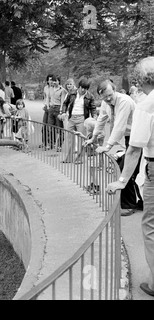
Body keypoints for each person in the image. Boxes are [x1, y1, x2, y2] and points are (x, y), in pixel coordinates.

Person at [106, 56, 154, 297]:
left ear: (141, 79)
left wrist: (122, 181)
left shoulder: (146, 105)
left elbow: (135, 147)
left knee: (150, 225)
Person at [86, 79, 142, 216]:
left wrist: (107, 146)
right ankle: (137, 202)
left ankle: (129, 205)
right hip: (130, 137)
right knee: (129, 170)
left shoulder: (124, 101)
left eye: (110, 95)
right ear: (101, 96)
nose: (108, 98)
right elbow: (101, 120)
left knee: (126, 169)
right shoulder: (106, 103)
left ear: (115, 90)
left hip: (139, 137)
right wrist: (93, 138)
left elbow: (119, 126)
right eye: (105, 97)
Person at [61, 77, 96, 163]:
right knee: (70, 139)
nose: (84, 90)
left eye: (86, 88)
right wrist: (63, 112)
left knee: (81, 140)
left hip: (82, 118)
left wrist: (94, 117)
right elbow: (65, 103)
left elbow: (93, 108)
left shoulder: (90, 96)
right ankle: (69, 158)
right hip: (72, 118)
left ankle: (79, 158)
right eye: (82, 88)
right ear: (79, 86)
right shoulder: (72, 93)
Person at [47, 75, 67, 151]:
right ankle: (51, 143)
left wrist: (61, 111)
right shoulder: (50, 89)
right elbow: (47, 98)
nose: (54, 82)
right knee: (50, 127)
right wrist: (48, 106)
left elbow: (63, 101)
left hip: (58, 108)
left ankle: (59, 145)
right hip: (51, 108)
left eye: (56, 81)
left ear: (59, 81)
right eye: (53, 81)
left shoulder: (62, 90)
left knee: (60, 128)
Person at [41, 74, 54, 149]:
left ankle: (50, 143)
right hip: (46, 108)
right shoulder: (45, 88)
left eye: (52, 79)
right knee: (44, 125)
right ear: (47, 81)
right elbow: (45, 97)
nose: (51, 81)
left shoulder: (55, 88)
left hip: (52, 108)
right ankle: (44, 142)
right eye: (49, 79)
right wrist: (44, 104)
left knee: (50, 126)